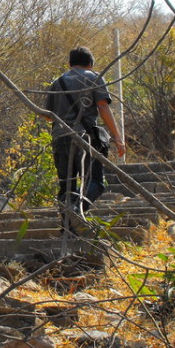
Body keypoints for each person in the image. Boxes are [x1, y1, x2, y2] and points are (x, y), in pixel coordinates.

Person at [43, 47, 126, 230]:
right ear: (91, 63)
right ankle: (77, 209)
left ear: (69, 64)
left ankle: (68, 229)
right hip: (85, 138)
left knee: (67, 186)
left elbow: (48, 115)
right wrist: (118, 137)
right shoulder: (94, 77)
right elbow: (103, 107)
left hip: (60, 137)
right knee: (95, 181)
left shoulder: (57, 82)